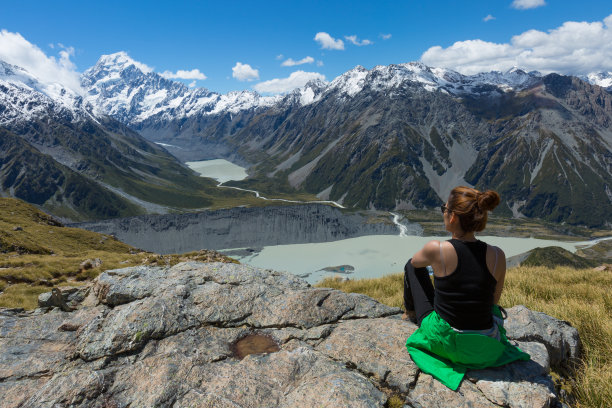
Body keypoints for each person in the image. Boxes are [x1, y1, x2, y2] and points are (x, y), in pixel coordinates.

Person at [403, 186, 530, 390]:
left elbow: (415, 263)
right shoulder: (498, 255)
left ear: (453, 217)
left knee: (411, 266)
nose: (443, 212)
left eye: (444, 208)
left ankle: (409, 312)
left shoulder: (438, 249)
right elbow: (493, 302)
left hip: (450, 344)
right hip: (487, 346)